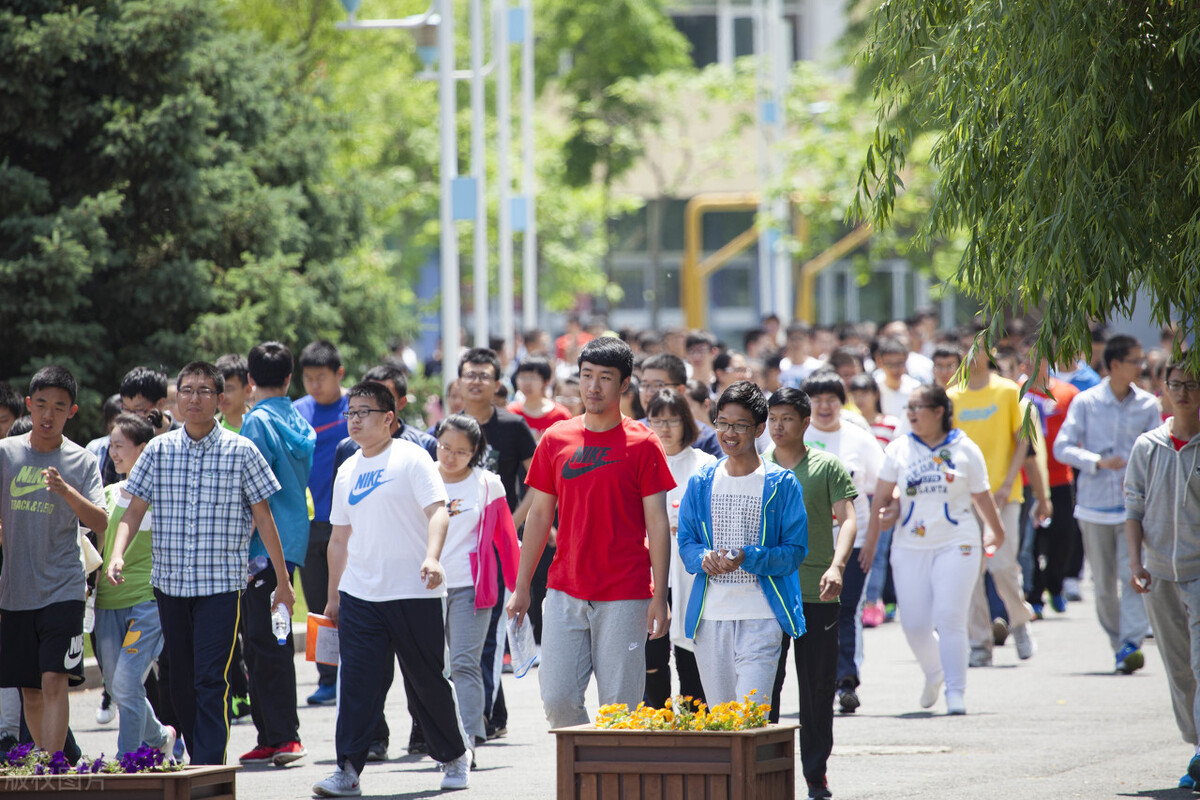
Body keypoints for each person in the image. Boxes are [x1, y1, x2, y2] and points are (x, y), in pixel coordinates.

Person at [107, 361, 294, 765]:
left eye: (204, 391)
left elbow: (264, 517)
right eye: (187, 390)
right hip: (170, 586)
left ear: (220, 399)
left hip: (220, 588)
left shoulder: (241, 450)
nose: (194, 398)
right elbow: (134, 512)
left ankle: (208, 765)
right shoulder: (158, 450)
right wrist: (117, 553)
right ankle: (195, 753)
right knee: (180, 683)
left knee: (211, 679)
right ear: (178, 397)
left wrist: (283, 581)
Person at [311, 383, 471, 797]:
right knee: (358, 685)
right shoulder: (347, 468)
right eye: (351, 413)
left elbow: (438, 512)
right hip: (361, 595)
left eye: (365, 412)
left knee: (426, 682)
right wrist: (333, 597)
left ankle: (454, 754)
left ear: (389, 419)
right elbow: (339, 539)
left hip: (414, 592)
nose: (356, 420)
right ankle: (347, 769)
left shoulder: (413, 457)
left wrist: (432, 558)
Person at [506, 337, 675, 728]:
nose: (593, 387)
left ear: (624, 384)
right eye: (586, 376)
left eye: (604, 378)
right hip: (565, 589)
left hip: (625, 594)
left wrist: (660, 595)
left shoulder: (644, 443)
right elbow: (539, 515)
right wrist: (521, 586)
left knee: (619, 712)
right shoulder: (555, 438)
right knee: (558, 699)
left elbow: (658, 523)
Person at [860, 384, 1006, 715]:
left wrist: (997, 533)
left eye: (918, 407)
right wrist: (871, 542)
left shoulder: (965, 448)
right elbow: (881, 498)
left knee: (950, 617)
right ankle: (935, 673)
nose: (911, 414)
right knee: (913, 624)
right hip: (910, 544)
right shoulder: (898, 449)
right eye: (908, 408)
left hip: (958, 542)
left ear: (939, 411)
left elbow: (981, 496)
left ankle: (956, 691)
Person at [677, 382, 808, 708]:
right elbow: (687, 541)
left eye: (739, 425)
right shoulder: (702, 480)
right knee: (721, 720)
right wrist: (704, 558)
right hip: (711, 618)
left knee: (750, 717)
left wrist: (750, 556)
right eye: (722, 423)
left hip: (762, 616)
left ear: (759, 428)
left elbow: (794, 552)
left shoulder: (781, 483)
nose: (729, 433)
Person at [0, 366, 107, 756]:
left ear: (71, 412)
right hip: (15, 591)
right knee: (30, 687)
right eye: (41, 404)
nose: (48, 414)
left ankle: (52, 768)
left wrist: (65, 491)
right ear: (29, 405)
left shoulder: (81, 462)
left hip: (63, 588)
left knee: (53, 679)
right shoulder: (6, 455)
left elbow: (99, 520)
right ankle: (47, 766)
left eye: (59, 407)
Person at [764, 388, 857, 800]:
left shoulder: (826, 466)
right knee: (764, 688)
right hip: (765, 596)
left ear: (805, 423)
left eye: (787, 419)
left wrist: (837, 566)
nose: (778, 426)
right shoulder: (755, 467)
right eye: (772, 418)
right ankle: (762, 770)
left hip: (817, 594)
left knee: (817, 689)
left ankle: (815, 774)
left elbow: (848, 519)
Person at [1053, 334, 1160, 673]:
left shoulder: (1147, 405)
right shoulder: (1086, 402)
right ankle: (1119, 644)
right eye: (1134, 361)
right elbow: (1062, 447)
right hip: (1094, 506)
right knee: (1102, 584)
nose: (1141, 367)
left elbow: (1158, 451)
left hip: (1134, 507)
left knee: (1134, 575)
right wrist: (1095, 461)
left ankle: (1131, 641)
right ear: (1115, 365)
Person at [235, 342, 316, 767]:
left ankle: (284, 736)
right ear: (290, 379)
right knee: (269, 640)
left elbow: (253, 496)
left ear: (249, 381)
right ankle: (272, 735)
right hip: (291, 545)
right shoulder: (299, 421)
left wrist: (234, 545)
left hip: (259, 551)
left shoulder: (256, 423)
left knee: (267, 643)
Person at [1125, 361, 1200, 790]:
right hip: (1158, 571)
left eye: (1192, 385)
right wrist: (1136, 563)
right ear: (1164, 389)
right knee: (1178, 666)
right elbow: (1134, 509)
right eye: (1176, 385)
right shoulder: (1148, 446)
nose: (1184, 392)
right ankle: (1195, 745)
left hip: (1197, 569)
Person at [458, 347, 537, 742]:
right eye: (469, 374)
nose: (476, 381)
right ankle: (489, 712)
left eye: (483, 375)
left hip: (496, 548)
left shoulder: (513, 427)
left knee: (489, 637)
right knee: (460, 639)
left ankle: (479, 721)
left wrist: (511, 523)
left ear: (496, 383)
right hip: (454, 549)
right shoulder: (448, 429)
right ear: (458, 382)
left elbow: (540, 484)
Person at [947, 339, 1039, 666]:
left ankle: (1020, 623)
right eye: (967, 349)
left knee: (1003, 567)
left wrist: (1007, 483)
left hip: (1005, 496)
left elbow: (1022, 441)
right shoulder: (952, 396)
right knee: (970, 572)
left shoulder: (1007, 391)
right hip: (963, 498)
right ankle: (979, 644)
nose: (973, 355)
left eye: (979, 349)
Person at [433, 414, 520, 746]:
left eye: (461, 451)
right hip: (424, 588)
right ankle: (438, 735)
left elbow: (507, 541)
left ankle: (469, 737)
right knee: (431, 667)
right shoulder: (421, 476)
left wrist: (517, 590)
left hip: (472, 587)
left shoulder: (488, 483)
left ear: (476, 452)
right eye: (444, 447)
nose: (450, 456)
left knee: (464, 663)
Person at [800, 372, 884, 714]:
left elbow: (882, 488)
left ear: (842, 401)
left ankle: (846, 681)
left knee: (844, 610)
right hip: (804, 546)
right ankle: (817, 682)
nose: (824, 406)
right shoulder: (795, 437)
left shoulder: (860, 439)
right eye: (816, 399)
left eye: (831, 399)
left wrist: (874, 539)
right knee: (813, 615)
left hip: (853, 541)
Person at [94, 411, 175, 757]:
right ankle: (159, 739)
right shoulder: (108, 493)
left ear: (144, 448)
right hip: (107, 601)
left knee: (127, 684)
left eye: (120, 446)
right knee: (117, 686)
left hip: (147, 600)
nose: (113, 453)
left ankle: (127, 761)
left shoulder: (164, 495)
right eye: (110, 445)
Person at [645, 388, 716, 707]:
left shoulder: (705, 463)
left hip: (691, 571)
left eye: (672, 420)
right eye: (657, 420)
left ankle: (693, 719)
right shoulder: (641, 460)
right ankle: (655, 719)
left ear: (686, 422)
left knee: (691, 651)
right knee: (652, 652)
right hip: (650, 570)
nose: (664, 428)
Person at [293, 340, 349, 706]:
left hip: (347, 521)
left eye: (322, 378)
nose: (315, 385)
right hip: (308, 521)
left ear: (339, 374)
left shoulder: (356, 409)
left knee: (349, 599)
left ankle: (357, 669)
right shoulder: (298, 411)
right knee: (317, 603)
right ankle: (327, 677)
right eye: (308, 378)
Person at [639, 354, 721, 457]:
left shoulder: (705, 439)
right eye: (644, 385)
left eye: (658, 385)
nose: (649, 392)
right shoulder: (631, 433)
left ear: (680, 390)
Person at [508, 356, 572, 441]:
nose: (527, 383)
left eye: (532, 378)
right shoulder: (511, 412)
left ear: (546, 381)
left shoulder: (560, 415)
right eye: (522, 377)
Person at [215, 354, 251, 433]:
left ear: (247, 390)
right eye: (219, 389)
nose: (222, 396)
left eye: (229, 389)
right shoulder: (209, 429)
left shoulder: (260, 427)